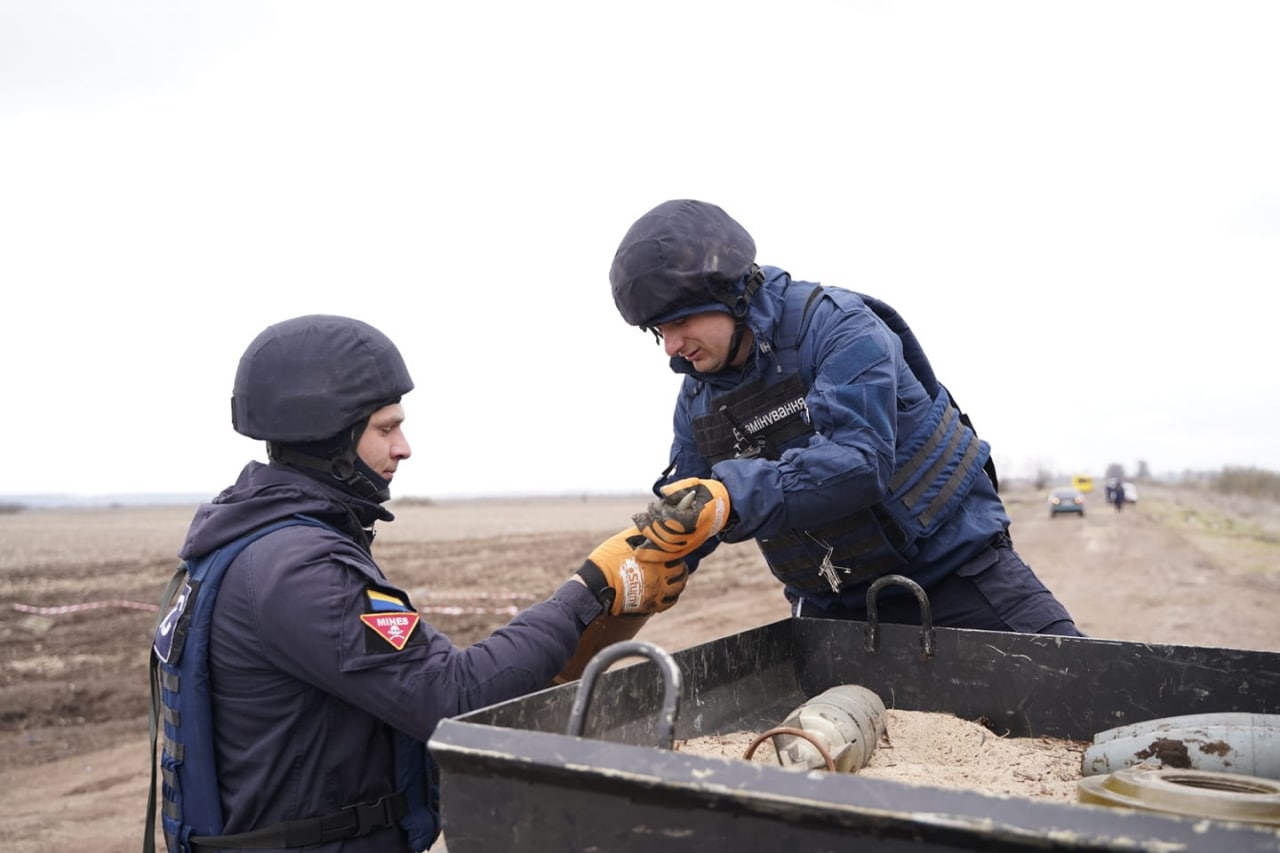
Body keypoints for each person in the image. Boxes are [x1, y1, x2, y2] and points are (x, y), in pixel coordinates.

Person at [145, 314, 714, 853]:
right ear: (330, 439)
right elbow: (456, 696)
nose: (403, 447)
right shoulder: (298, 571)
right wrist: (589, 588)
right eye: (385, 428)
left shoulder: (251, 544)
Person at [608, 199, 1082, 637]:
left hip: (961, 577)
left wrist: (731, 496)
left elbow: (859, 463)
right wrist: (624, 571)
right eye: (658, 330)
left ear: (730, 295)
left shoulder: (841, 328)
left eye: (680, 322)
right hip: (831, 609)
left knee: (1098, 704)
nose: (670, 345)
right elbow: (691, 507)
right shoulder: (697, 397)